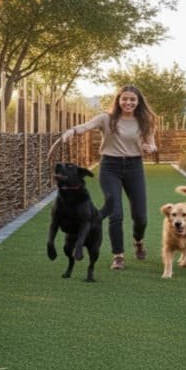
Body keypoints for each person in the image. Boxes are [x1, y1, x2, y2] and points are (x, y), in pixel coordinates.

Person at [62, 85, 157, 270]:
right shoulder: (106, 118)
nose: (128, 102)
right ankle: (118, 255)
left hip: (134, 167)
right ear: (118, 100)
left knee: (141, 216)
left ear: (138, 102)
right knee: (116, 214)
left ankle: (138, 241)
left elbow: (152, 143)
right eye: (125, 99)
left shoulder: (144, 121)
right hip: (109, 167)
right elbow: (86, 126)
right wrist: (71, 131)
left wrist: (151, 148)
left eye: (132, 99)